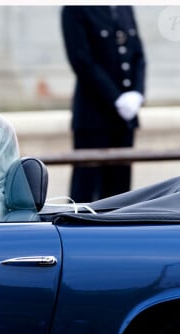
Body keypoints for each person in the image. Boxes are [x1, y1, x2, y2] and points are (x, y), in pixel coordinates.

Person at [61, 6, 146, 202]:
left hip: (125, 117)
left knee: (120, 197)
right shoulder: (76, 9)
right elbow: (81, 60)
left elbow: (138, 55)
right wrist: (116, 98)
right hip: (93, 117)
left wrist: (137, 93)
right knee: (85, 195)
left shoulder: (125, 8)